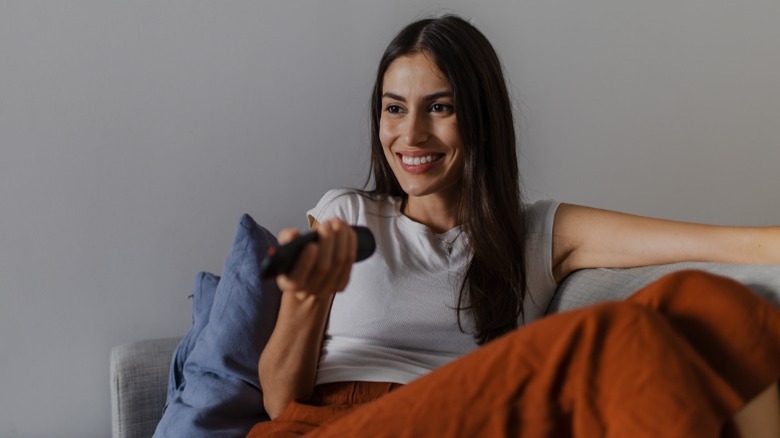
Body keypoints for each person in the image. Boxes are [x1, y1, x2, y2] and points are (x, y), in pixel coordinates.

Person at [248, 14, 780, 437]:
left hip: (471, 416)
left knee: (715, 304)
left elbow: (739, 244)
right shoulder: (347, 214)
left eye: (440, 107)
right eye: (394, 108)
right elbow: (278, 404)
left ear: (482, 118)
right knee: (614, 333)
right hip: (331, 424)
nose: (410, 134)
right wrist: (306, 299)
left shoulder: (536, 234)